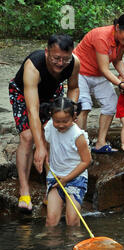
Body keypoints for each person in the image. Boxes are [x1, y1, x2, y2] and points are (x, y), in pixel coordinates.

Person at [9, 34, 80, 213]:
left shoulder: (74, 63)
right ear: (47, 52)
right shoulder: (33, 66)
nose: (60, 63)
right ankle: (24, 190)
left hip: (52, 92)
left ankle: (52, 190)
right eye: (56, 58)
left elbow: (73, 87)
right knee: (28, 137)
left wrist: (71, 109)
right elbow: (33, 110)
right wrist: (39, 146)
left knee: (53, 135)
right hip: (23, 92)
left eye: (65, 58)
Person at [73, 13, 124, 153]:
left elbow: (117, 61)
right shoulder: (102, 36)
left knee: (111, 103)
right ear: (117, 27)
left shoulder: (123, 41)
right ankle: (81, 146)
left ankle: (100, 143)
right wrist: (121, 84)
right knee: (83, 106)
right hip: (80, 72)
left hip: (97, 75)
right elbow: (104, 69)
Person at [43, 97, 91, 227]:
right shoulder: (49, 127)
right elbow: (46, 145)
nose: (61, 125)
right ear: (51, 116)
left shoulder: (77, 135)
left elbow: (86, 161)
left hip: (75, 178)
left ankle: (74, 245)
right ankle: (51, 246)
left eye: (65, 121)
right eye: (57, 121)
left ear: (74, 116)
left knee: (72, 219)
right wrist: (44, 155)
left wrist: (66, 179)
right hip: (55, 177)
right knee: (51, 220)